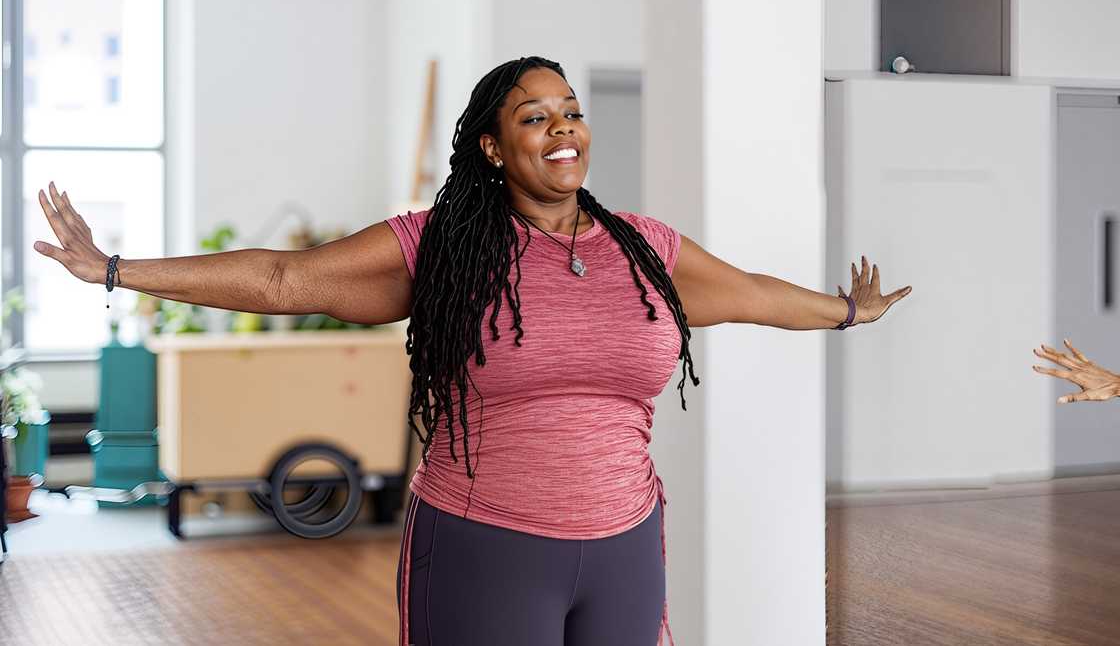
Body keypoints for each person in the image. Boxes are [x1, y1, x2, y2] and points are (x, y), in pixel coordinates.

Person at [33, 56, 912, 646]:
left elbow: (753, 293)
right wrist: (113, 268)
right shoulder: (439, 248)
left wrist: (844, 312)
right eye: (535, 117)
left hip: (626, 544)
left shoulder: (645, 249)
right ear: (494, 146)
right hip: (484, 546)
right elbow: (282, 280)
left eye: (571, 111)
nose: (564, 129)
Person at [1033, 339, 1120, 403]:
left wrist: (1071, 398)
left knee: (1067, 365)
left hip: (1101, 384)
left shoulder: (1106, 391)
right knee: (1066, 359)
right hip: (1094, 373)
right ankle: (1048, 354)